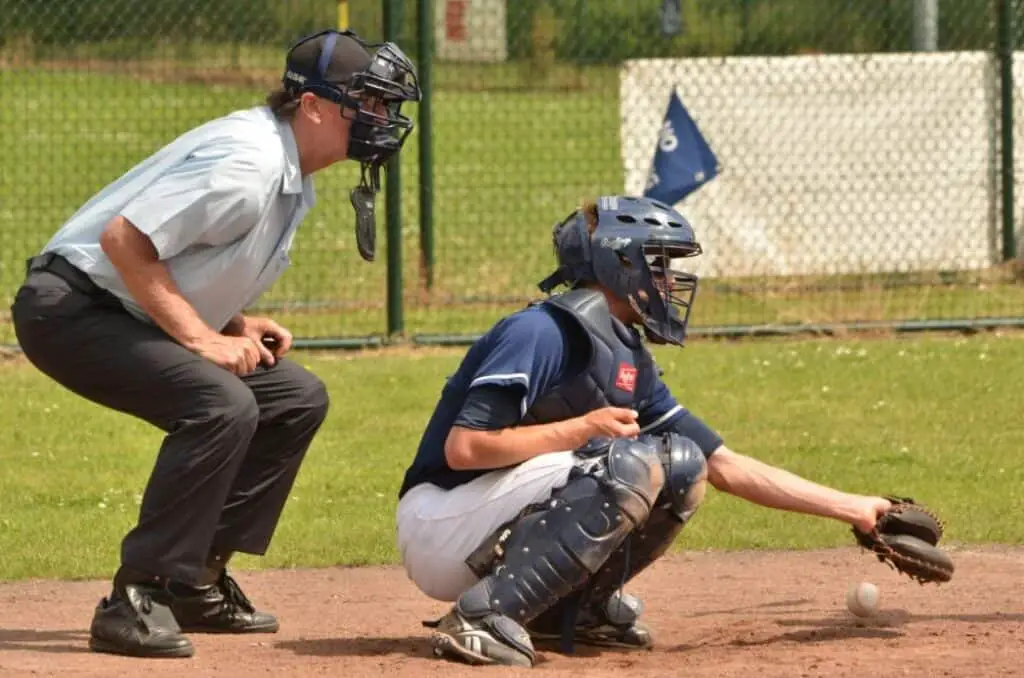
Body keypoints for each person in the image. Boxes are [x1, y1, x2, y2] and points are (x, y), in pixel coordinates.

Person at [10, 29, 420, 659]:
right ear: (312, 106)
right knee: (220, 403)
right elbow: (126, 241)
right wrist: (202, 337)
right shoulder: (250, 163)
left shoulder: (285, 164)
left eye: (385, 106)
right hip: (70, 310)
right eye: (366, 102)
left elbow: (184, 256)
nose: (382, 119)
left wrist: (233, 323)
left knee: (294, 396)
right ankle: (136, 597)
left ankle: (194, 579)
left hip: (117, 305)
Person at [395, 196, 895, 668]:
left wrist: (854, 508)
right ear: (620, 263)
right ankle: (480, 616)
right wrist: (580, 429)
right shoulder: (540, 333)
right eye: (659, 264)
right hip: (440, 521)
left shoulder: (627, 356)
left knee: (682, 464)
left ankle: (563, 611)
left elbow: (722, 464)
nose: (669, 280)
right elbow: (463, 450)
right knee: (627, 463)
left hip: (487, 520)